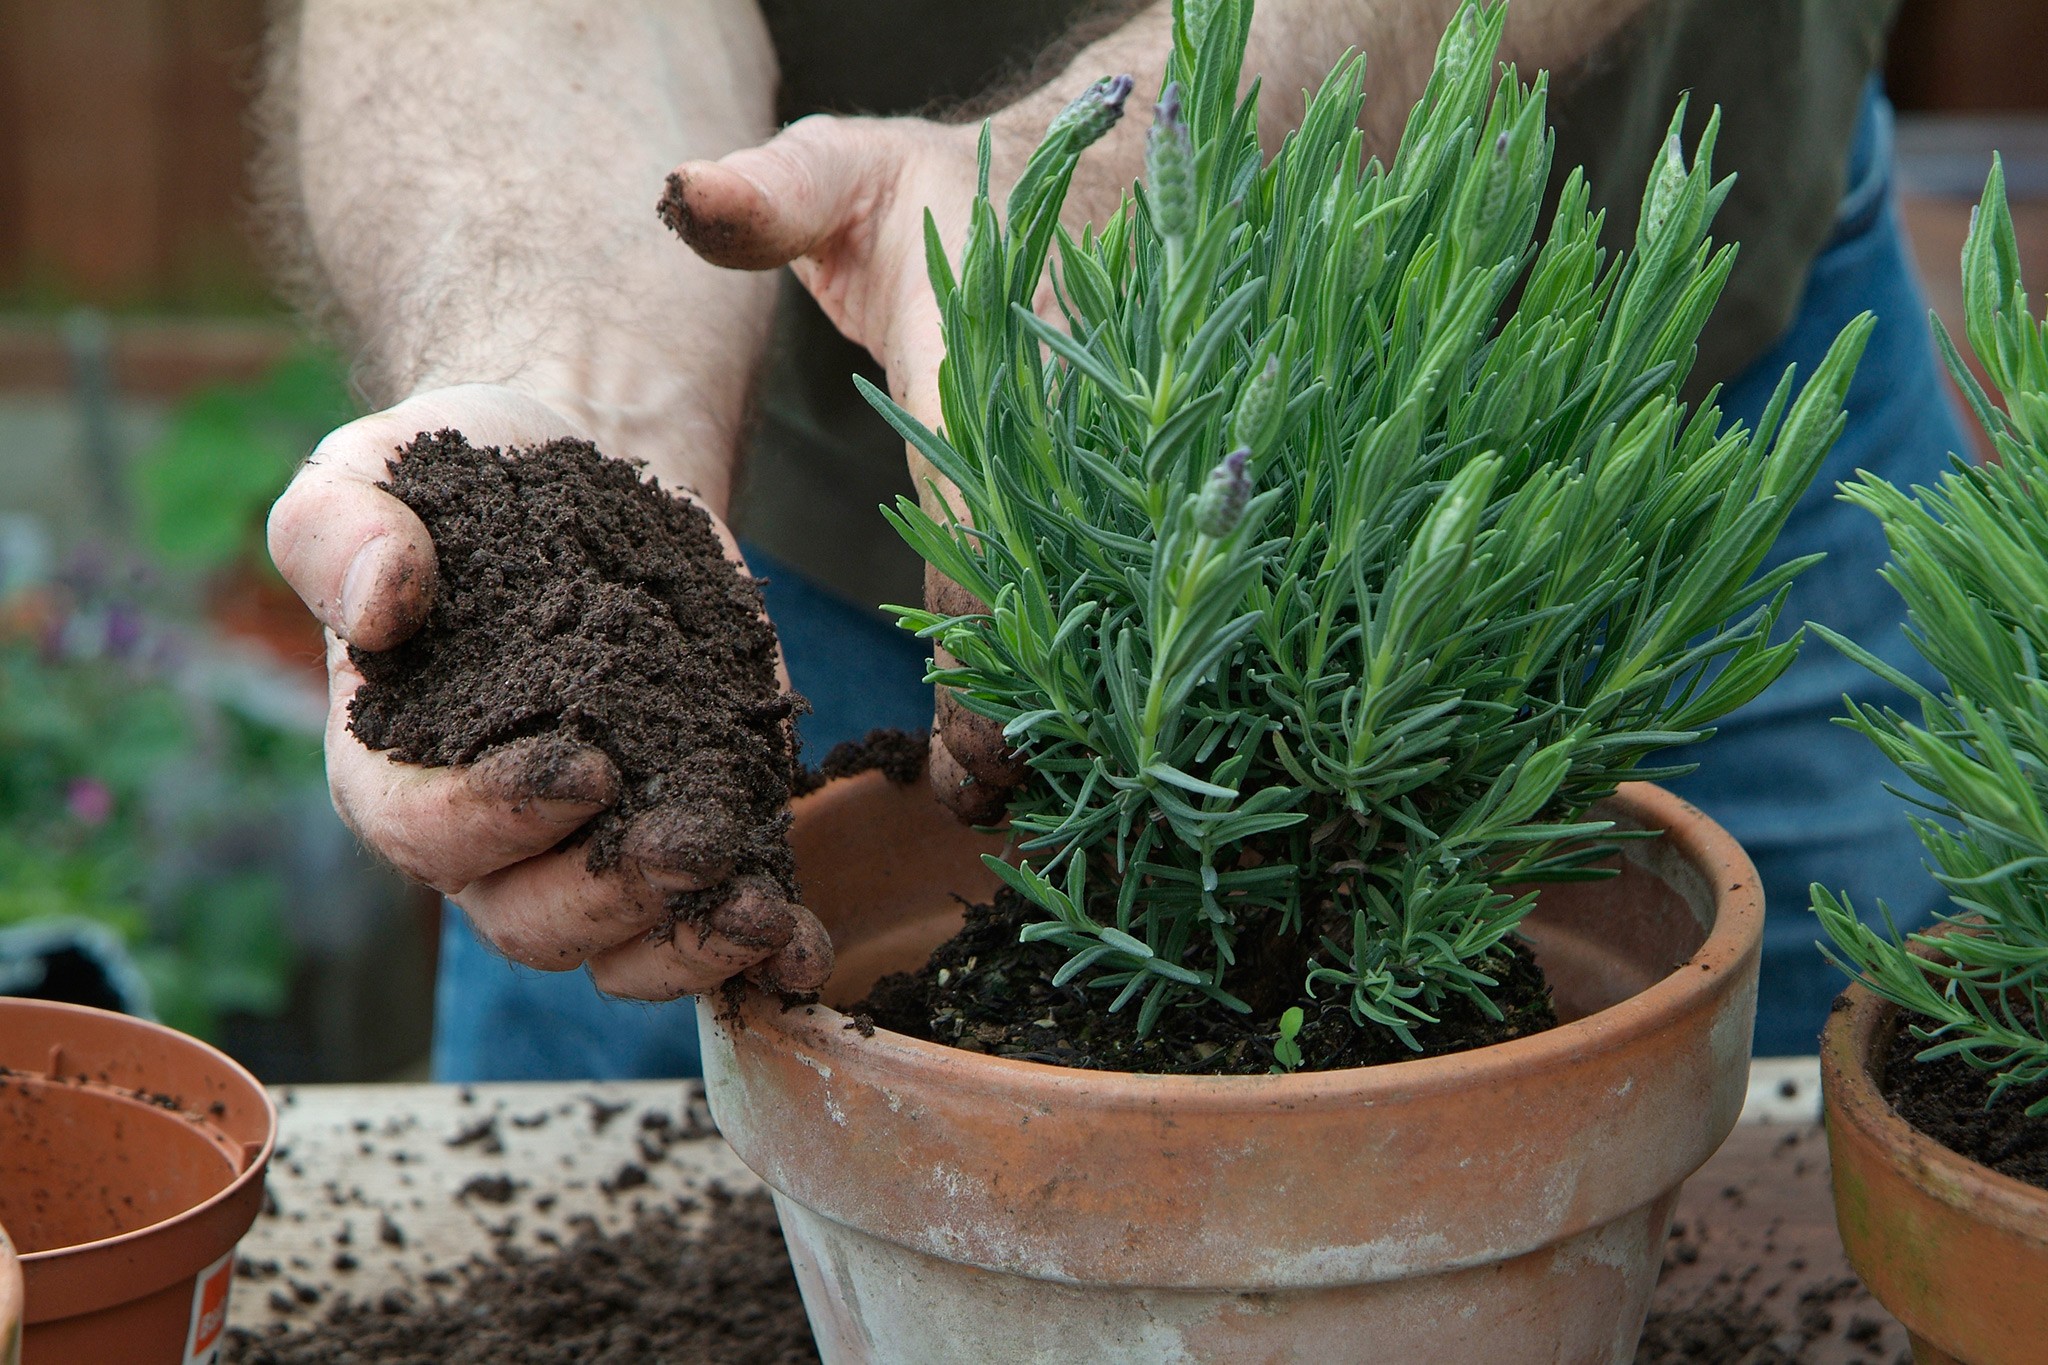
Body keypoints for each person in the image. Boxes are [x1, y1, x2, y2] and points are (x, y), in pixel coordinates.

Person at [259, 0, 1961, 1079]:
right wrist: (579, 379)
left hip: (1650, 435)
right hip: (810, 509)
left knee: (1815, 1138)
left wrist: (1117, 178)